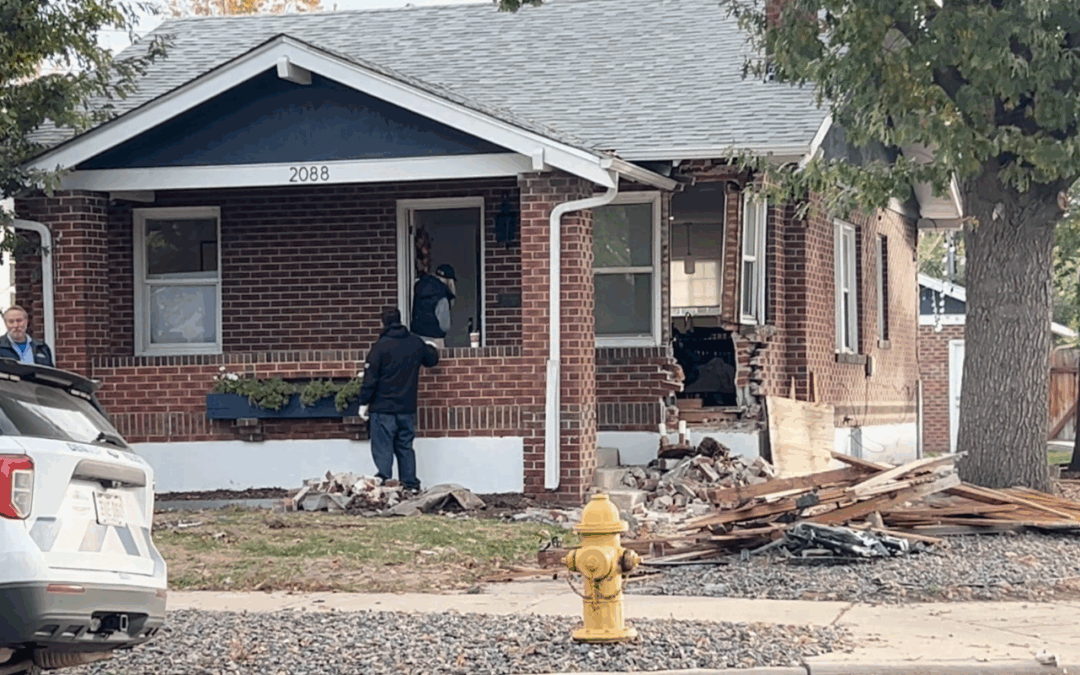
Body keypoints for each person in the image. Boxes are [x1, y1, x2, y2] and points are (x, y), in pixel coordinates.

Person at [358, 307, 439, 493]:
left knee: (383, 446)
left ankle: (385, 482)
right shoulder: (415, 343)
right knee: (405, 447)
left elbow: (371, 379)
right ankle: (410, 485)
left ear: (383, 322)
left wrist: (364, 403)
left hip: (383, 407)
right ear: (400, 319)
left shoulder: (380, 347)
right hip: (406, 407)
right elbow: (432, 359)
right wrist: (431, 345)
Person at [410, 264, 456, 349]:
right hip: (435, 340)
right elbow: (445, 325)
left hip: (416, 338)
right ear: (450, 282)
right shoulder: (442, 295)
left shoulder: (420, 288)